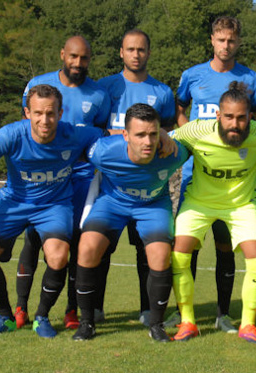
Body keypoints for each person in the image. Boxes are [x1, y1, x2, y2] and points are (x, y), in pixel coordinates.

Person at [0, 84, 103, 338]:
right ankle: (4, 316)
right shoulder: (10, 135)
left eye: (50, 113)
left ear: (61, 113)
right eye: (38, 113)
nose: (44, 120)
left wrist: (161, 134)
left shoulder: (76, 135)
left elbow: (118, 134)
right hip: (14, 202)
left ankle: (42, 317)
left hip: (54, 205)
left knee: (58, 256)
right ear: (27, 112)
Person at [171, 16, 256, 333]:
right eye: (220, 39)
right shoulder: (192, 75)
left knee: (227, 246)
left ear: (238, 42)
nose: (226, 45)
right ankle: (183, 313)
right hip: (195, 173)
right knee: (189, 246)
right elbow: (178, 108)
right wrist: (188, 136)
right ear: (212, 40)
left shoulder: (251, 79)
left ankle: (223, 313)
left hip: (236, 179)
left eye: (231, 40)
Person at [170, 81, 256, 344]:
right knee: (178, 254)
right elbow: (165, 144)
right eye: (229, 117)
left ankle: (247, 325)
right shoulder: (196, 130)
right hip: (198, 202)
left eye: (242, 118)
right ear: (218, 116)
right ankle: (187, 321)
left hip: (240, 206)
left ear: (250, 117)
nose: (235, 124)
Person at [15, 35, 110, 331]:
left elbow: (101, 135)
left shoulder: (99, 94)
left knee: (76, 243)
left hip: (81, 179)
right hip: (44, 179)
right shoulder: (38, 84)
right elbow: (25, 125)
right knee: (32, 241)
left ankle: (71, 310)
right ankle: (21, 307)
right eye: (73, 56)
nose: (78, 63)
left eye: (84, 58)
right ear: (62, 55)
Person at [72, 103, 187, 341]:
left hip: (153, 205)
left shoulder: (174, 152)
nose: (148, 142)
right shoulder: (103, 151)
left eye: (153, 134)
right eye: (140, 135)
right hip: (112, 203)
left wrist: (168, 135)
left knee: (160, 254)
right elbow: (76, 145)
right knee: (87, 247)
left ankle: (156, 325)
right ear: (125, 135)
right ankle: (87, 323)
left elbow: (198, 141)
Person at [98, 29, 176, 326]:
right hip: (110, 184)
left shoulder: (162, 92)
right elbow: (96, 132)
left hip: (149, 185)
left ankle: (148, 310)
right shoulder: (105, 88)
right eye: (130, 49)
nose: (136, 54)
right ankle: (95, 309)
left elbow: (167, 133)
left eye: (141, 49)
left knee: (147, 250)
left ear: (148, 53)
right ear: (121, 52)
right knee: (102, 246)